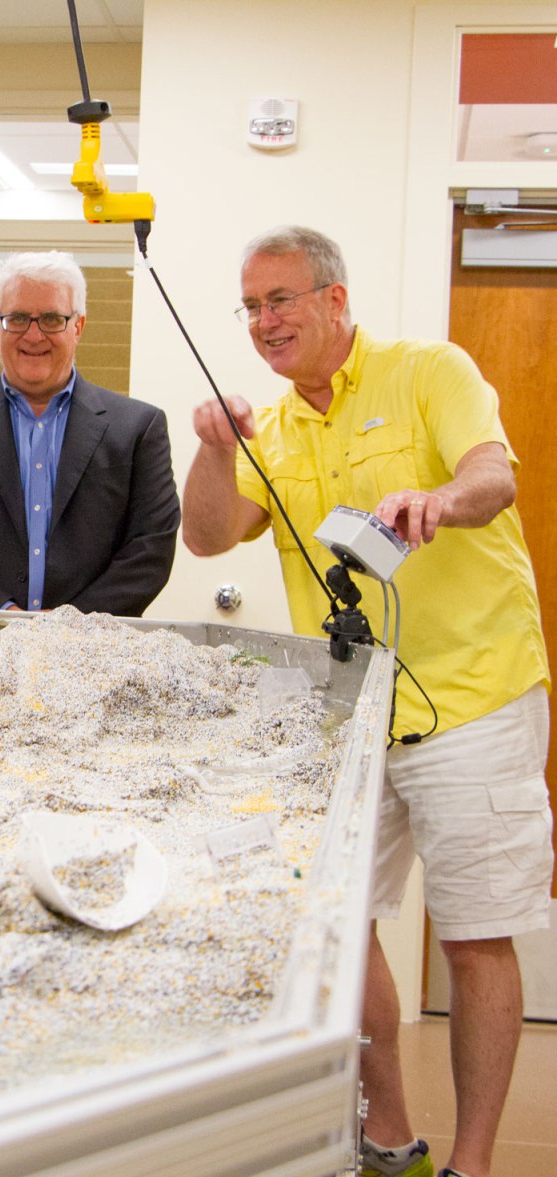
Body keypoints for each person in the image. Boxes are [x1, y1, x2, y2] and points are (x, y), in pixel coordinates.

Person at [182, 225, 553, 1177]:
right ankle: (390, 1137)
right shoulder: (278, 426)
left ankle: (472, 1163)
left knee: (473, 936)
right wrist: (216, 448)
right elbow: (211, 536)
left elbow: (494, 476)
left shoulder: (430, 369)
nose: (265, 322)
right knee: (335, 925)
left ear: (335, 299)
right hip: (351, 716)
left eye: (283, 301)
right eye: (252, 306)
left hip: (473, 694)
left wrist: (437, 499)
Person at [0, 250, 180, 616]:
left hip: (94, 653)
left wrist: (69, 624)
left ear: (77, 326)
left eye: (51, 318)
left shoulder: (139, 429)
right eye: (17, 318)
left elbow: (151, 549)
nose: (34, 335)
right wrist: (3, 616)